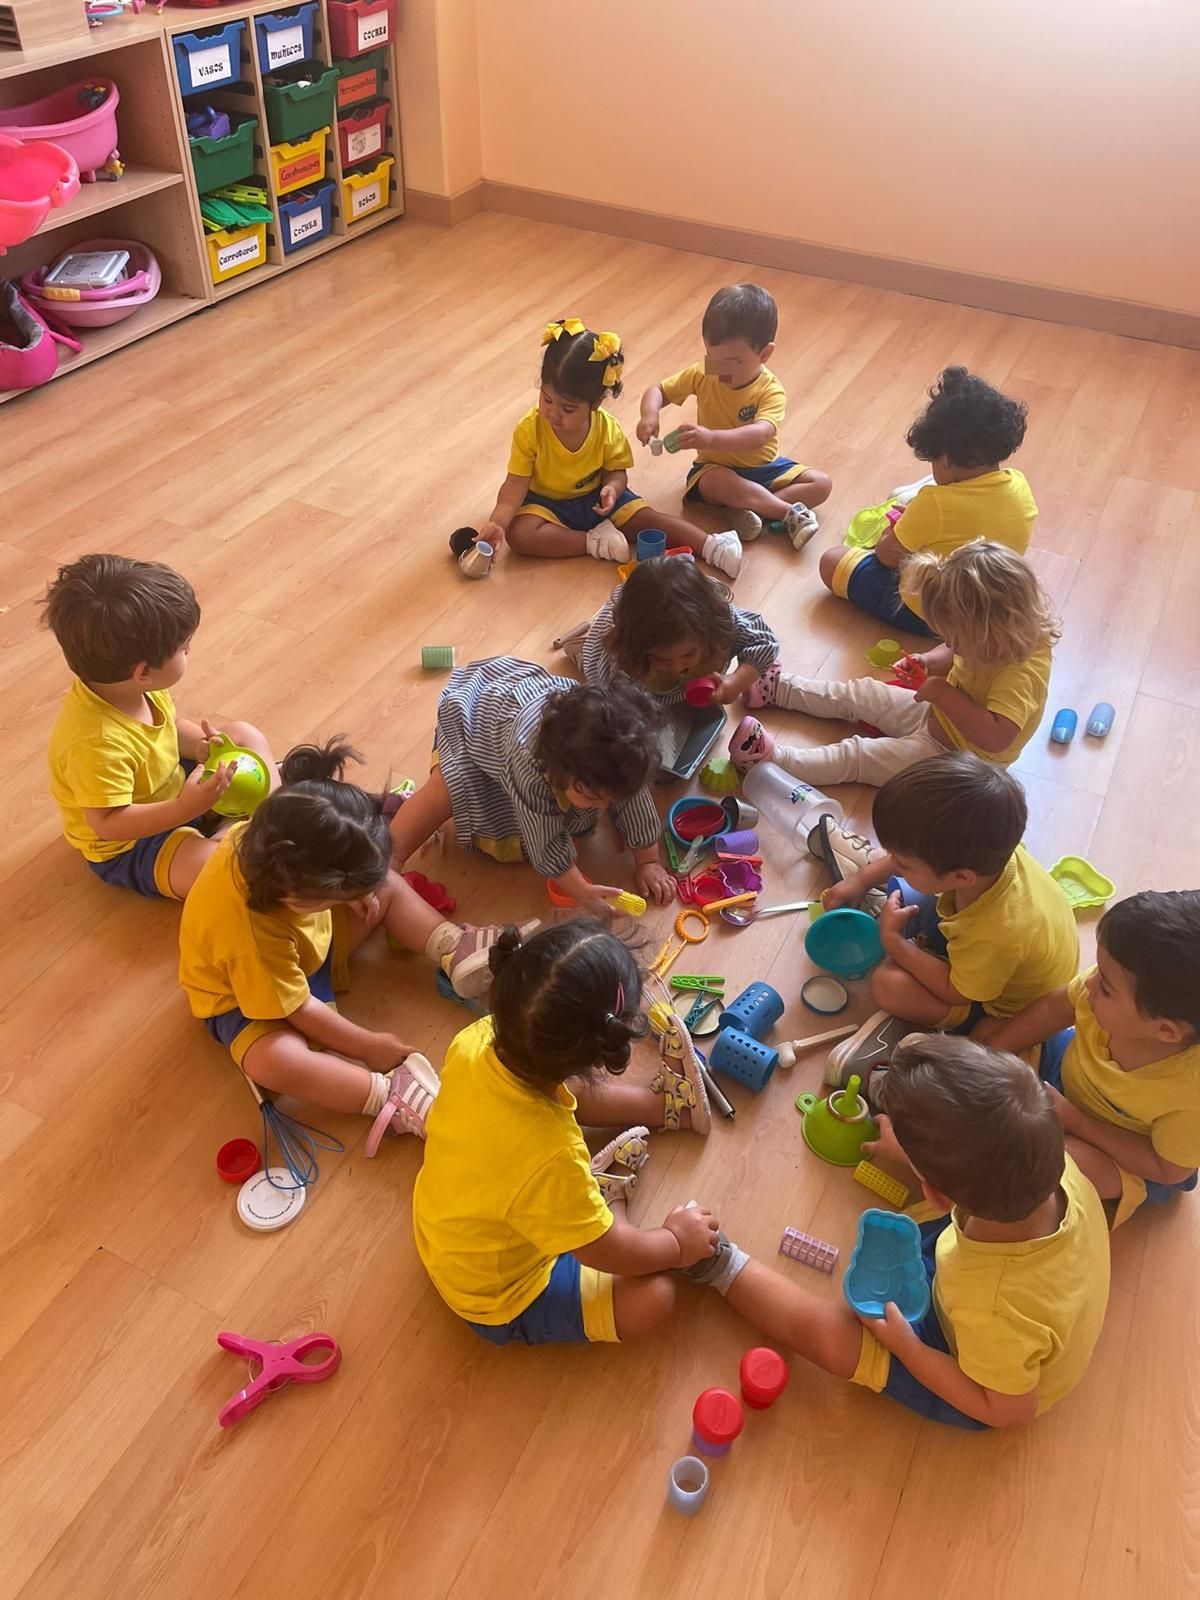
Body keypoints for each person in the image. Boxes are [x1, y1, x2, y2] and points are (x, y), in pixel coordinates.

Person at [686, 1034, 1110, 1429]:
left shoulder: (991, 1306)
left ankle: (716, 1263)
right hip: (1031, 1282)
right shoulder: (1048, 1163)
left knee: (837, 1341)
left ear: (939, 1195)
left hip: (984, 1382)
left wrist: (910, 1349)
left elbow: (1009, 1411)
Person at [179, 740, 534, 1149]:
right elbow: (298, 1008)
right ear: (303, 895)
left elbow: (339, 865)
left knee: (383, 884)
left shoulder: (273, 839)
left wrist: (358, 891)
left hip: (304, 951)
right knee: (272, 1063)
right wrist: (368, 1046)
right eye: (337, 893)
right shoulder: (247, 935)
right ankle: (386, 1095)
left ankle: (454, 947)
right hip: (248, 999)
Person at [413, 920, 719, 1345]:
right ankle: (609, 1198)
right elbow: (605, 1251)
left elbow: (559, 1092)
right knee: (656, 1297)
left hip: (448, 1231)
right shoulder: (552, 1156)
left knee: (558, 1096)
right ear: (598, 1057)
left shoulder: (476, 1040)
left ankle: (668, 1110)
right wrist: (675, 1243)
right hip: (498, 1296)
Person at [819, 753, 1079, 1082]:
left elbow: (957, 991)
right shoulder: (989, 854)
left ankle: (920, 1033)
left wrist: (894, 943)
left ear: (961, 878)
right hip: (993, 955)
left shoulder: (998, 931)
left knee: (887, 984)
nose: (893, 861)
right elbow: (913, 863)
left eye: (902, 860)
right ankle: (916, 923)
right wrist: (862, 879)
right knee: (909, 890)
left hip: (1002, 1005)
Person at [44, 553, 277, 900]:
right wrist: (185, 809)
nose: (189, 651)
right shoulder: (95, 743)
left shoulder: (132, 687)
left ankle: (273, 816)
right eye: (184, 649)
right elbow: (108, 822)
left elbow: (166, 729)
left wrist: (199, 747)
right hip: (132, 842)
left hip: (172, 787)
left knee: (243, 735)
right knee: (220, 874)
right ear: (143, 672)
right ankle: (232, 835)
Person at [731, 540, 1057, 787]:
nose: (952, 646)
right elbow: (955, 652)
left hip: (959, 761)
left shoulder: (1022, 670)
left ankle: (774, 761)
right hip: (939, 716)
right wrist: (929, 661)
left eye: (956, 639)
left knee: (859, 756)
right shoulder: (992, 637)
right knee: (862, 693)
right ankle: (779, 689)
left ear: (989, 629)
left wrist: (944, 694)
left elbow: (997, 736)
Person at [388, 657, 676, 908]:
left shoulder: (618, 750)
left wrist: (647, 860)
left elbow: (632, 797)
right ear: (560, 771)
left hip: (526, 698)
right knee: (446, 788)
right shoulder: (530, 763)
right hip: (475, 724)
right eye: (593, 797)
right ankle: (387, 859)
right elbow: (546, 843)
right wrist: (579, 888)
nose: (604, 808)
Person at [988, 890, 1200, 1228]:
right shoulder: (1104, 988)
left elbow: (1169, 1169)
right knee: (995, 1032)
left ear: (1167, 1031)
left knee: (1054, 1163)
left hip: (1127, 1152)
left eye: (1107, 987)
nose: (1089, 982)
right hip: (1066, 1077)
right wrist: (987, 1052)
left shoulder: (1189, 1094)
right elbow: (1049, 1011)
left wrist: (1077, 1122)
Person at [478, 318, 744, 578]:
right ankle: (594, 542)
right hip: (548, 505)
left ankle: (713, 546)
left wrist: (612, 490)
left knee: (649, 519)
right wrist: (497, 522)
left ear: (596, 403)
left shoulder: (607, 429)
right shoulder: (530, 429)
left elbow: (617, 473)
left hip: (599, 499)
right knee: (519, 534)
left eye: (567, 408)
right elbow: (515, 484)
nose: (553, 413)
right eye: (546, 399)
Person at [820, 366, 1036, 634]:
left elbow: (887, 555)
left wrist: (895, 527)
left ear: (944, 457)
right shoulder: (1019, 484)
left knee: (832, 560)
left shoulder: (936, 502)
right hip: (989, 608)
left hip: (934, 616)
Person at [638, 283, 831, 548]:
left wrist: (711, 438)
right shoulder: (705, 372)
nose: (721, 371)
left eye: (734, 362)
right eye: (712, 358)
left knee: (821, 484)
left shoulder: (770, 390)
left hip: (763, 468)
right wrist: (649, 415)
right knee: (716, 482)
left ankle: (745, 510)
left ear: (765, 353)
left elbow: (760, 435)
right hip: (716, 469)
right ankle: (785, 512)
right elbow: (658, 390)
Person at [554, 554, 778, 708]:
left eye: (688, 654)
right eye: (662, 659)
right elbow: (614, 715)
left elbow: (766, 642)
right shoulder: (619, 668)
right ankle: (580, 651)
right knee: (596, 672)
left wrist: (737, 682)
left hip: (679, 687)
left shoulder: (720, 624)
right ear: (640, 650)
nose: (677, 666)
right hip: (612, 656)